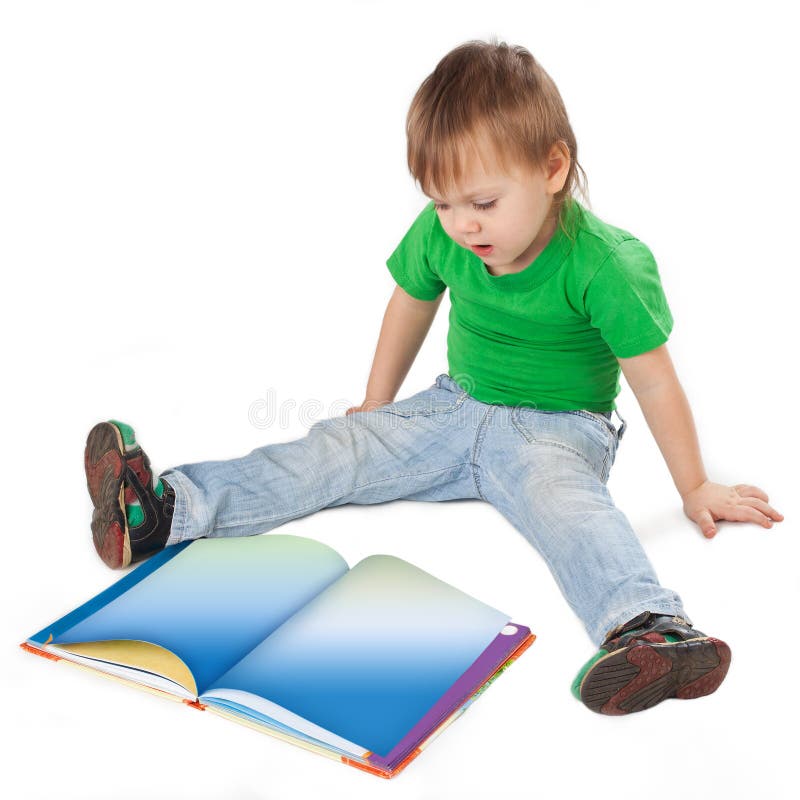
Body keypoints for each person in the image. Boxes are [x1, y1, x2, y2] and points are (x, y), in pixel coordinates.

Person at [84, 40, 783, 715]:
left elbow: (655, 381)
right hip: (452, 409)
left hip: (559, 430)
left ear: (553, 168)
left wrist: (694, 486)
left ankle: (650, 629)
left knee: (570, 513)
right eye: (444, 204)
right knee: (337, 448)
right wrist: (377, 407)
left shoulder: (607, 265)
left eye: (482, 203)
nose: (461, 226)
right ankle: (164, 513)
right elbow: (410, 302)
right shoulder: (441, 232)